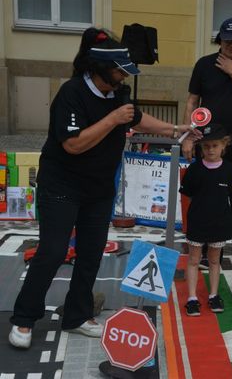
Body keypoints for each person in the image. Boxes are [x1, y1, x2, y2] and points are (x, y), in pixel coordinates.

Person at [8, 28, 200, 349]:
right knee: (53, 251)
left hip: (98, 189)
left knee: (91, 253)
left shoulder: (118, 95)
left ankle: (77, 316)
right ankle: (24, 319)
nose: (124, 78)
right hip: (62, 185)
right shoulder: (71, 93)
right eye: (119, 72)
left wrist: (178, 130)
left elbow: (137, 118)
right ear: (99, 70)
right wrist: (113, 120)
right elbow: (73, 144)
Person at [182, 17, 232, 269]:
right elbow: (191, 101)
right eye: (228, 40)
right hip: (208, 144)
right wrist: (187, 137)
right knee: (207, 199)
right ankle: (205, 253)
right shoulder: (204, 64)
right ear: (220, 40)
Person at [179, 123, 232, 316]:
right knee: (194, 260)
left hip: (219, 223)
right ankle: (192, 298)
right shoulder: (195, 169)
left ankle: (213, 295)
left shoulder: (230, 170)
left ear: (224, 146)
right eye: (206, 146)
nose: (211, 150)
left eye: (215, 146)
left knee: (214, 261)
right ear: (200, 148)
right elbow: (187, 194)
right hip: (197, 222)